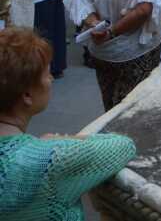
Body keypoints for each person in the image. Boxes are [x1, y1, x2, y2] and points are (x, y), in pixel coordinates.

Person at [0, 28, 137, 220]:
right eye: (46, 74)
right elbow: (123, 146)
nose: (51, 79)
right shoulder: (47, 160)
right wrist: (60, 141)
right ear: (27, 95)